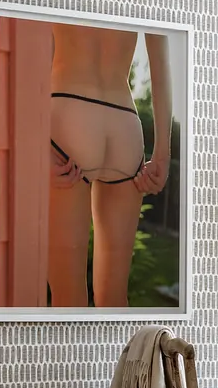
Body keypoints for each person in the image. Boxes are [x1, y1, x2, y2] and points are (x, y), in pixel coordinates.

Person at [48, 23, 172, 308]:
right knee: (115, 299)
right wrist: (162, 154)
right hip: (124, 123)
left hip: (69, 110)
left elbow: (29, 61)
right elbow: (161, 65)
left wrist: (38, 147)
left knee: (68, 299)